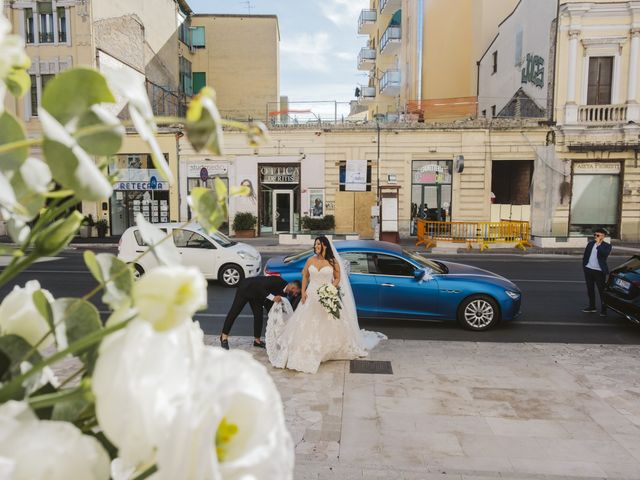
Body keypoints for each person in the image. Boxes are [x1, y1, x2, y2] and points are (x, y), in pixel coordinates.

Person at [266, 236, 386, 374]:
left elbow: (337, 278)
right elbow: (305, 276)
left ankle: (330, 348)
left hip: (326, 294)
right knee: (307, 322)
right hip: (311, 295)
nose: (316, 246)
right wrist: (303, 292)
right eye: (315, 244)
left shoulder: (332, 261)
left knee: (329, 321)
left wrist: (330, 289)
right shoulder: (310, 260)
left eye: (319, 244)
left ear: (325, 245)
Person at [220, 277, 301, 350]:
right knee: (234, 312)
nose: (295, 295)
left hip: (257, 296)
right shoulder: (278, 281)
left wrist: (274, 315)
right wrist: (273, 298)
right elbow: (261, 287)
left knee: (259, 315)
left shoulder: (284, 294)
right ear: (293, 287)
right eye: (296, 292)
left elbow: (270, 303)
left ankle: (257, 341)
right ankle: (224, 337)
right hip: (246, 288)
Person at [582, 228, 612, 316]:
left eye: (597, 235)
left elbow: (604, 254)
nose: (595, 236)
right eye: (595, 235)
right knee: (590, 289)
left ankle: (604, 309)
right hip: (589, 270)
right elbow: (585, 256)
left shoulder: (607, 246)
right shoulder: (590, 244)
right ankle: (592, 307)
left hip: (599, 271)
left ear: (603, 236)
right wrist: (585, 267)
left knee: (601, 291)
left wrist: (599, 244)